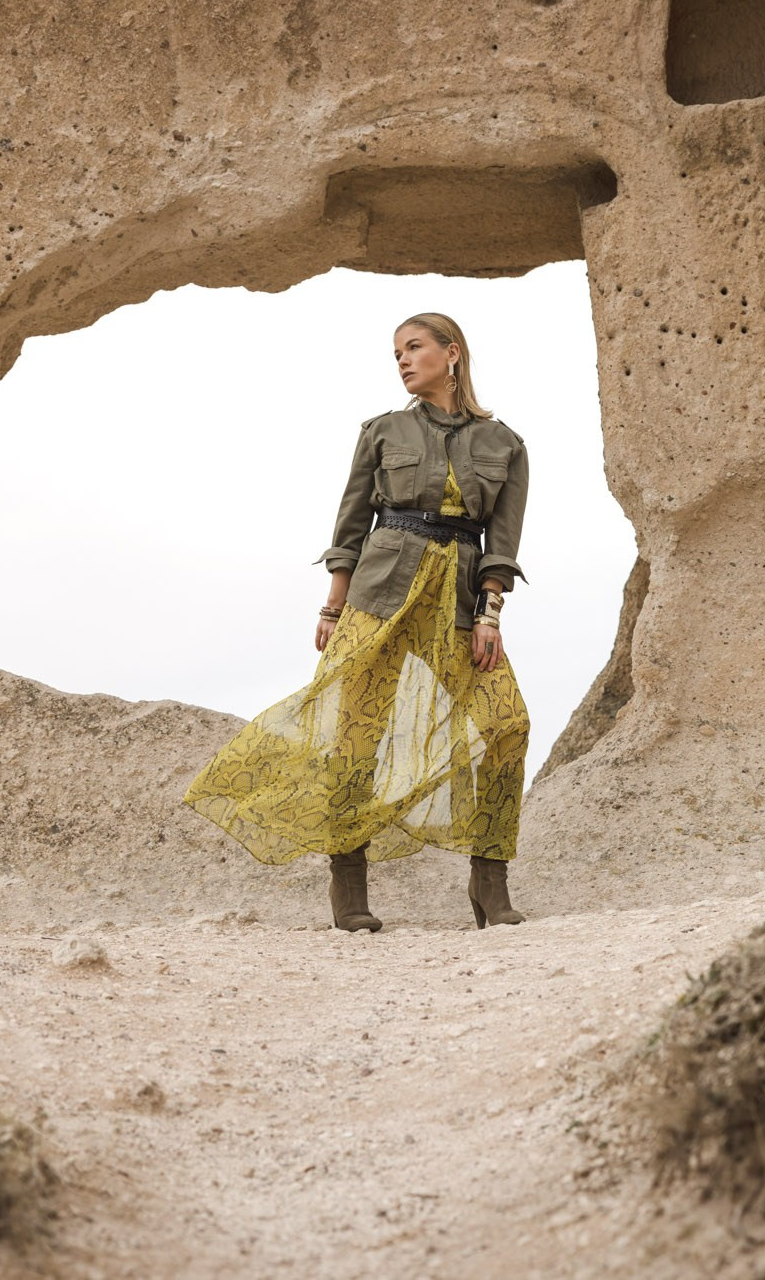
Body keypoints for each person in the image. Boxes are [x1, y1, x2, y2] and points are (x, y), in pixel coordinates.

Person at [181, 312, 533, 931]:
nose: (402, 360)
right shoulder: (382, 431)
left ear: (452, 354)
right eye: (396, 352)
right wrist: (332, 606)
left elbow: (502, 543)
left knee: (506, 722)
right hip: (381, 592)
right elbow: (350, 524)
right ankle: (349, 888)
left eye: (414, 347)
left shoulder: (506, 445)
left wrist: (490, 614)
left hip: (455, 601)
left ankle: (490, 881)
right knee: (355, 736)